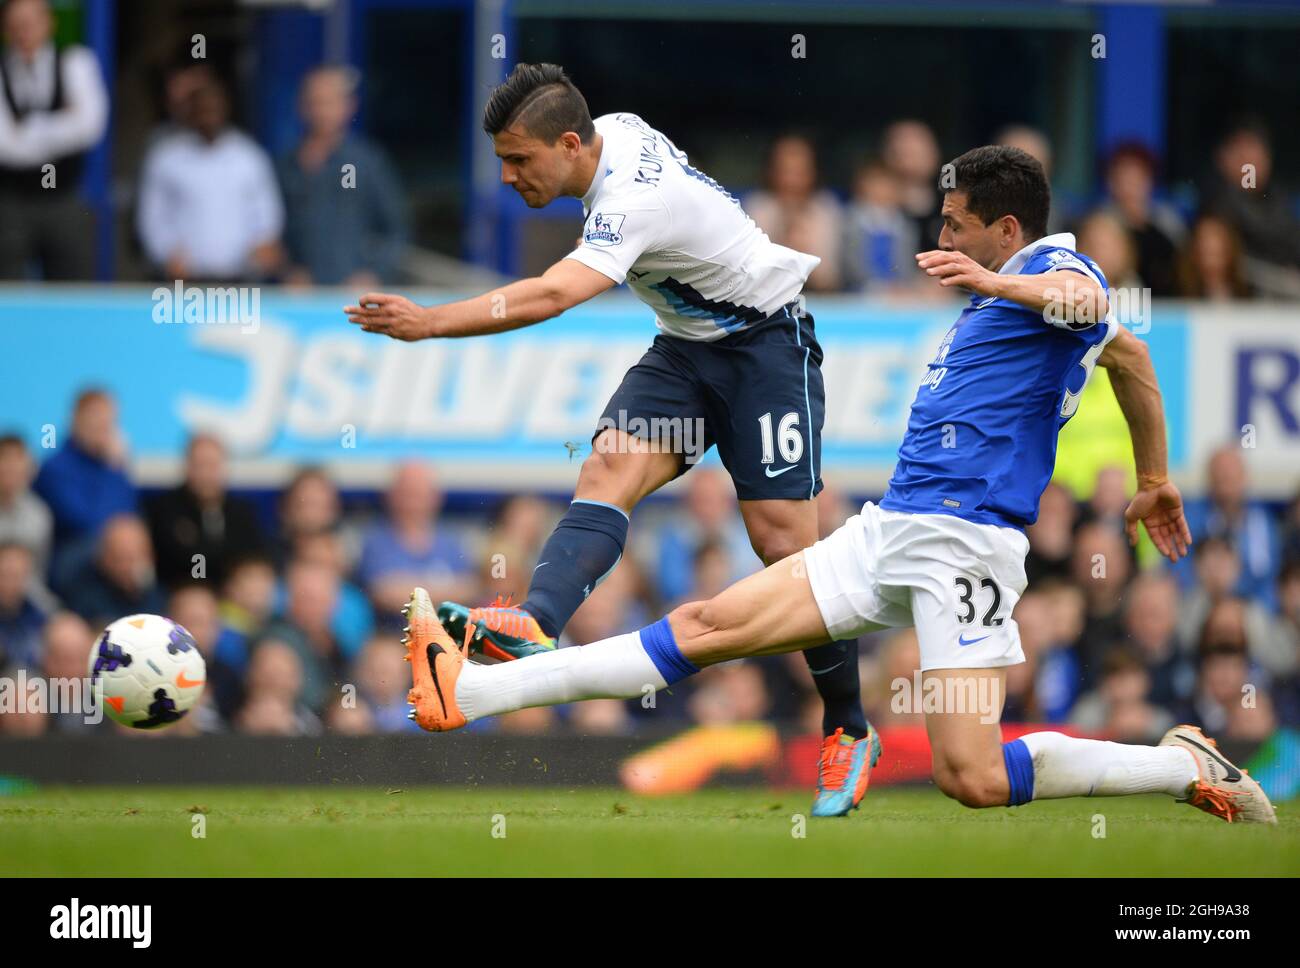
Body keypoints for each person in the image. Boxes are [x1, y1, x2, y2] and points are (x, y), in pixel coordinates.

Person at [399, 144, 1276, 825]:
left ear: (1007, 233)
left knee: (970, 776)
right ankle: (472, 694)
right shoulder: (998, 299)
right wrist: (1157, 479)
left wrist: (1001, 283)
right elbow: (1133, 359)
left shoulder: (1059, 272)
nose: (942, 241)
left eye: (956, 226)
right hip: (893, 531)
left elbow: (1098, 315)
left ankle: (1184, 766)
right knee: (706, 625)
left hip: (969, 551)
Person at [346, 62, 873, 816]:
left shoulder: (631, 198)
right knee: (609, 463)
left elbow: (556, 294)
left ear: (569, 143)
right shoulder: (613, 129)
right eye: (500, 160)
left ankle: (849, 729)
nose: (505, 176)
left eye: (519, 159)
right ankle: (533, 626)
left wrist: (432, 320)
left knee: (788, 551)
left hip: (766, 351)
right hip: (689, 351)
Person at [0, 0, 108, 280]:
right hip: (10, 203)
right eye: (16, 26)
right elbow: (5, 148)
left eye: (30, 23)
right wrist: (60, 123)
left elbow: (90, 127)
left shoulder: (77, 63)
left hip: (65, 197)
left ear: (49, 23)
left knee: (74, 291)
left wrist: (26, 130)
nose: (23, 32)